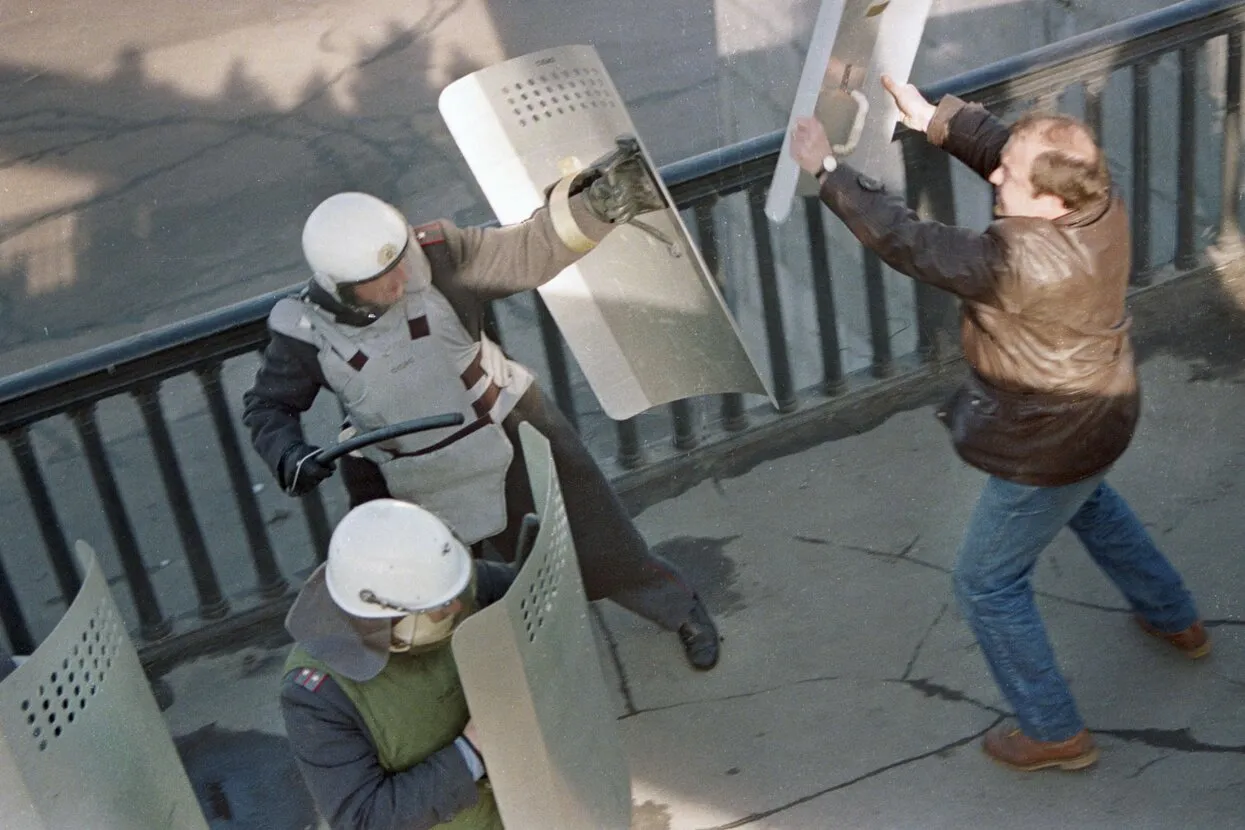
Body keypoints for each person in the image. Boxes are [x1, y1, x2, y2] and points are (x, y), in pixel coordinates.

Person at [788, 77, 1209, 771]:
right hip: (1103, 412)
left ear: (1044, 203)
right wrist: (936, 121)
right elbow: (1014, 155)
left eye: (1008, 182)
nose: (996, 186)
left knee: (985, 583)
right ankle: (1175, 619)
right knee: (1090, 503)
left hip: (1047, 440)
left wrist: (827, 172)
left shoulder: (1017, 261)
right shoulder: (1095, 200)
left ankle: (1052, 730)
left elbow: (909, 241)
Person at [242, 157, 719, 671]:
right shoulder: (305, 331)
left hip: (507, 427)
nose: (401, 278)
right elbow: (268, 406)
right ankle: (491, 686)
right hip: (404, 475)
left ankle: (680, 609)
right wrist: (288, 452)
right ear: (340, 287)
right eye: (380, 278)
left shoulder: (440, 257)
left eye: (400, 259)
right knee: (442, 595)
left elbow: (526, 250)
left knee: (603, 545)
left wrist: (597, 209)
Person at [281, 498, 509, 830]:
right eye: (441, 607)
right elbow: (365, 818)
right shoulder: (316, 695)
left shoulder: (442, 581)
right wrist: (471, 752)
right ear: (388, 620)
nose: (459, 606)